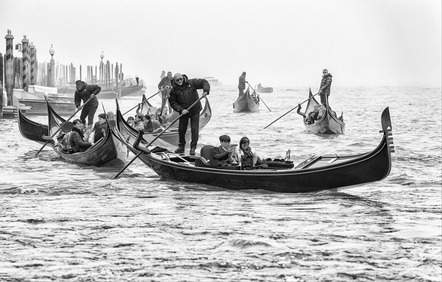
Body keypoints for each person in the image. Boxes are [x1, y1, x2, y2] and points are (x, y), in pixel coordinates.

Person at [168, 73, 210, 155]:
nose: (180, 81)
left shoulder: (191, 83)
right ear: (174, 81)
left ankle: (193, 148)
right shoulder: (173, 91)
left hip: (195, 110)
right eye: (177, 80)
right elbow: (173, 103)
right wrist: (181, 109)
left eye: (181, 79)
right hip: (184, 112)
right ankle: (181, 147)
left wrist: (206, 90)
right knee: (181, 129)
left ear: (183, 78)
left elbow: (204, 82)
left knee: (194, 129)